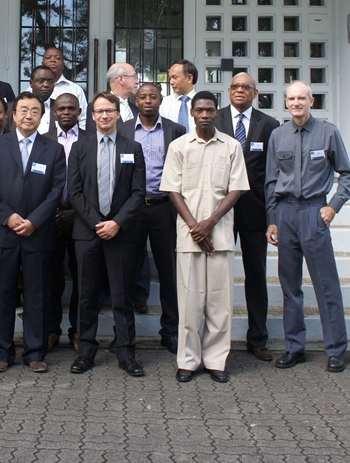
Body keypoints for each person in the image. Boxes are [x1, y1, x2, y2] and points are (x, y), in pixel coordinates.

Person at [265, 80, 350, 374]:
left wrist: (333, 206)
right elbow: (270, 182)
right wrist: (271, 220)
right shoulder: (278, 135)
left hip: (314, 212)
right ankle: (295, 347)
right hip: (286, 214)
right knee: (290, 286)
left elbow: (348, 174)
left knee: (326, 284)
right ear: (286, 103)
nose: (296, 103)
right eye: (291, 98)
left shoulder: (328, 133)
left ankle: (335, 350)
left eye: (301, 98)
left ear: (311, 101)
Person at [160, 91, 249, 384]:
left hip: (221, 236)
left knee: (219, 305)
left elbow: (235, 189)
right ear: (193, 113)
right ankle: (188, 360)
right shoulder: (178, 146)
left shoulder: (232, 146)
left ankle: (216, 361)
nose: (205, 115)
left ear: (217, 112)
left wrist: (209, 223)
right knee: (188, 304)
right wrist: (194, 227)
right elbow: (173, 189)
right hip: (188, 238)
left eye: (210, 110)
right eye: (200, 110)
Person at [0, 91, 66, 373]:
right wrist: (9, 217)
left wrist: (34, 221)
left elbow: (56, 192)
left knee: (36, 295)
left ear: (43, 117)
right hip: (3, 233)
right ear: (13, 115)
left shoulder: (53, 149)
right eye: (23, 110)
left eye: (35, 111)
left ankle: (35, 352)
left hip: (38, 234)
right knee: (3, 294)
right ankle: (2, 352)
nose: (29, 115)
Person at [67, 92, 147, 377]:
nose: (104, 116)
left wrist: (116, 223)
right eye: (99, 111)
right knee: (86, 296)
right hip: (87, 233)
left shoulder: (132, 147)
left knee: (121, 296)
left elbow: (138, 193)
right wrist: (96, 222)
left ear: (117, 113)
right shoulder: (79, 148)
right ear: (92, 115)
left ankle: (126, 354)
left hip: (121, 234)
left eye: (109, 111)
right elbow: (74, 192)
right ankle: (85, 353)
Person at [215, 72, 279, 363]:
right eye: (235, 87)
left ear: (255, 93)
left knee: (256, 275)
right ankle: (215, 341)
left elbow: (272, 174)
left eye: (246, 87)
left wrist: (272, 216)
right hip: (219, 211)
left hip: (255, 210)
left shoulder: (270, 126)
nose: (240, 90)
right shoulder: (213, 119)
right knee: (216, 276)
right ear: (228, 91)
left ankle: (257, 338)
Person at [119, 82, 186, 354]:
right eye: (143, 96)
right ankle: (123, 335)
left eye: (153, 97)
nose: (148, 101)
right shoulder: (122, 130)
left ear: (161, 100)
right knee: (125, 272)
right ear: (136, 100)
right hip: (131, 209)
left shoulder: (176, 130)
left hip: (164, 207)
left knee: (169, 272)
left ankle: (170, 331)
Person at [44, 92, 82, 352]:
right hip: (50, 219)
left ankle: (78, 331)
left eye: (71, 108)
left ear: (79, 111)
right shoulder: (43, 140)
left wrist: (78, 212)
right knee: (50, 278)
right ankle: (51, 329)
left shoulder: (90, 139)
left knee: (82, 277)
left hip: (81, 218)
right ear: (54, 112)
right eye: (61, 108)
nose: (66, 112)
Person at [42, 46, 87, 128]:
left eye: (58, 58)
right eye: (48, 58)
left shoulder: (75, 89)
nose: (53, 60)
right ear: (42, 63)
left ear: (63, 65)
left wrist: (81, 139)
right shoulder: (32, 90)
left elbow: (84, 119)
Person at [159, 59, 199, 136]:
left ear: (189, 78)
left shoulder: (205, 103)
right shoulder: (164, 103)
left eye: (175, 77)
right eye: (170, 78)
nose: (171, 82)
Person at [27, 64, 59, 134]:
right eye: (41, 81)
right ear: (31, 83)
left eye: (50, 82)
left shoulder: (60, 108)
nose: (46, 85)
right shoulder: (13, 108)